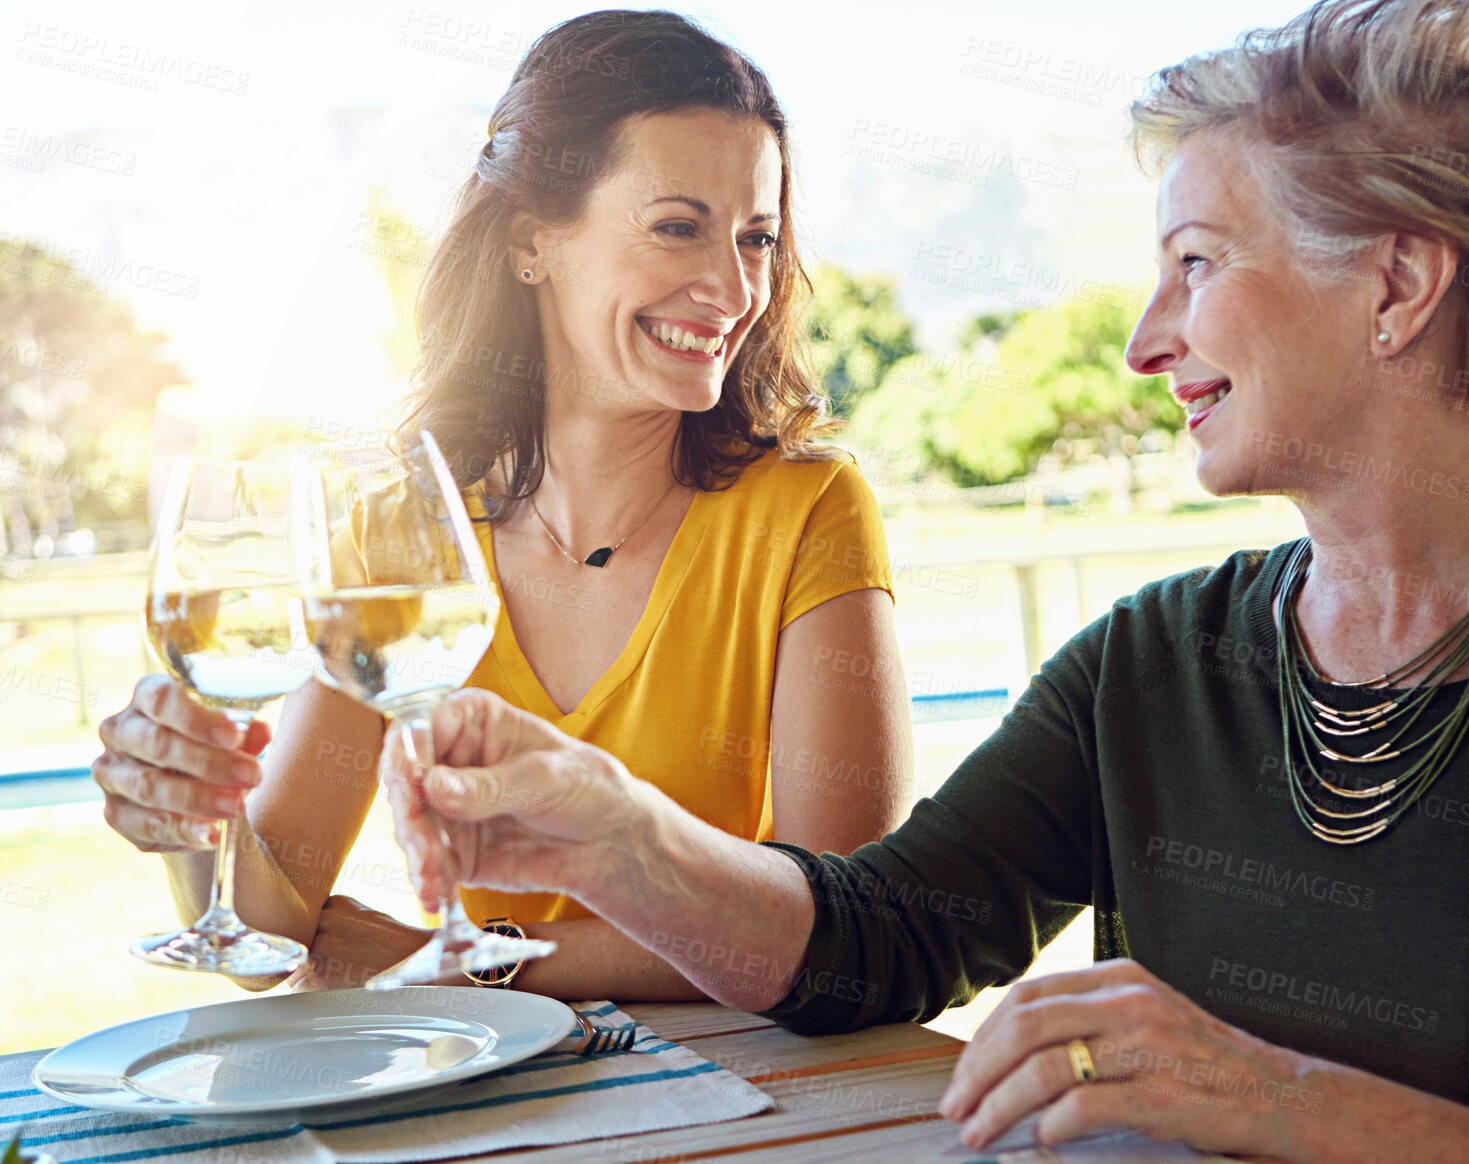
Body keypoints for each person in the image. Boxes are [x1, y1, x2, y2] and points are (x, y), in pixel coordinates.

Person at [372, 0, 1469, 1159]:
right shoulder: (1153, 666)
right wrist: (614, 833)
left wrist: (1283, 1101)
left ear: (1398, 284)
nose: (1145, 340)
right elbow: (881, 939)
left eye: (1196, 262)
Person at [91, 11, 913, 1001]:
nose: (733, 288)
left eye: (757, 238)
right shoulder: (405, 537)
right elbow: (279, 921)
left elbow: (844, 930)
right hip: (502, 1107)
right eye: (678, 227)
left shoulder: (810, 510)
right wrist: (191, 820)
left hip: (761, 1101)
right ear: (532, 241)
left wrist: (450, 964)